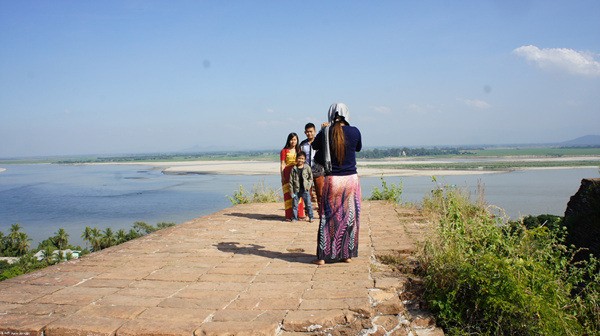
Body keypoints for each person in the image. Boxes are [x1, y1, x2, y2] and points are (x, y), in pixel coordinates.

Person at [311, 103, 362, 265]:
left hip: (333, 180)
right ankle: (346, 254)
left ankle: (322, 257)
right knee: (350, 218)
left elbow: (314, 145)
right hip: (351, 180)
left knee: (327, 217)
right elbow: (358, 148)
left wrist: (323, 129)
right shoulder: (355, 131)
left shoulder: (326, 132)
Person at [299, 123, 324, 216]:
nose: (309, 133)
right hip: (306, 173)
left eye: (311, 131)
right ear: (305, 132)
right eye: (307, 132)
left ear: (315, 132)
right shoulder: (302, 144)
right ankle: (308, 213)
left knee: (320, 194)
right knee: (306, 194)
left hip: (319, 171)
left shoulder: (320, 143)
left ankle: (321, 213)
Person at [280, 132, 304, 221]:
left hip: (298, 174)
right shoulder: (284, 151)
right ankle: (289, 215)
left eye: (294, 139)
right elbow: (282, 164)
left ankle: (300, 214)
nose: (293, 141)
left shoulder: (299, 150)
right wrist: (282, 176)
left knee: (299, 194)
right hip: (287, 173)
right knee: (288, 195)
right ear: (288, 140)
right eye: (291, 139)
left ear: (297, 140)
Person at [289, 151, 314, 222]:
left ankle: (311, 217)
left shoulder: (307, 167)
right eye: (299, 158)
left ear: (305, 159)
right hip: (296, 190)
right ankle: (294, 218)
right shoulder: (294, 169)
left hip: (305, 190)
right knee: (294, 205)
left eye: (302, 158)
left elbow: (310, 178)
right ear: (296, 159)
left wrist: (308, 186)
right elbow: (290, 181)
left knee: (308, 204)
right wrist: (291, 191)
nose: (301, 160)